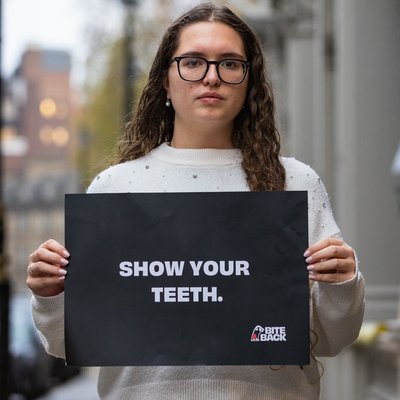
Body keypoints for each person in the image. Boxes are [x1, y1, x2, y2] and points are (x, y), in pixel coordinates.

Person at [27, 3, 365, 399]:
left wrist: (341, 283)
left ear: (249, 82)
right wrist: (51, 294)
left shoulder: (295, 183)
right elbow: (70, 342)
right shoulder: (115, 187)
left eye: (230, 64)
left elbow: (332, 339)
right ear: (166, 81)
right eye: (193, 62)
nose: (211, 77)